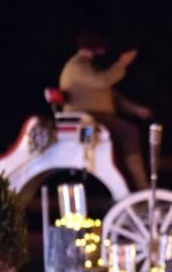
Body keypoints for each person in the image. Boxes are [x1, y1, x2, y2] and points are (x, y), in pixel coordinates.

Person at [59, 30, 151, 189]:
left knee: (131, 133)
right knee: (129, 132)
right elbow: (102, 81)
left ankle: (135, 183)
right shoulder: (77, 66)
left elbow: (112, 96)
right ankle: (140, 185)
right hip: (88, 118)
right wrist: (122, 63)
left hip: (98, 116)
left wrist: (136, 110)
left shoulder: (89, 66)